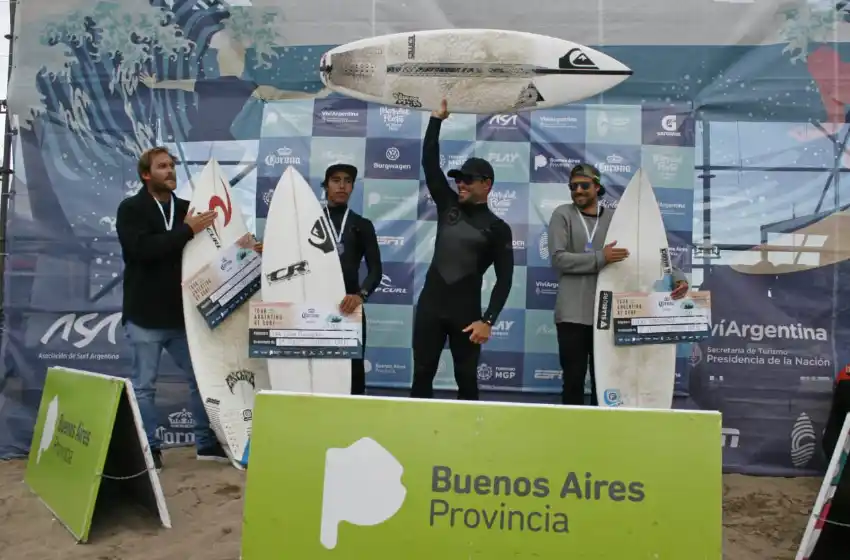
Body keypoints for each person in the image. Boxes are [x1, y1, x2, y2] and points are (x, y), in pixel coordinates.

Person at [116, 146, 229, 470]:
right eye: (163, 166)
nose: (170, 171)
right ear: (146, 174)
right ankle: (150, 449)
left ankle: (206, 443)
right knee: (144, 387)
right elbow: (141, 250)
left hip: (182, 317)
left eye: (172, 166)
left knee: (201, 380)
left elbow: (210, 252)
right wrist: (186, 230)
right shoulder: (131, 209)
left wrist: (244, 249)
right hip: (144, 318)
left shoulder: (186, 209)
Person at [547, 163, 690, 406]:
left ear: (597, 187)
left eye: (584, 185)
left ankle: (602, 437)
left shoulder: (617, 220)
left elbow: (647, 256)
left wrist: (678, 276)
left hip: (610, 317)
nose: (578, 191)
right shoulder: (563, 215)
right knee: (573, 381)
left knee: (607, 383)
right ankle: (569, 437)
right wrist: (601, 257)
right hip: (574, 315)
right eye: (573, 186)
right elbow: (559, 259)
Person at [410, 99, 515, 400]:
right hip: (430, 307)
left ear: (488, 184)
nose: (461, 184)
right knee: (422, 375)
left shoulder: (498, 228)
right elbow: (430, 163)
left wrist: (489, 320)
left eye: (468, 179)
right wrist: (435, 120)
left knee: (467, 380)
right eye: (458, 179)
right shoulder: (448, 206)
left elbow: (505, 279)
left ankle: (468, 443)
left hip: (466, 315)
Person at [322, 162, 383, 394]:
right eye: (336, 180)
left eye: (348, 181)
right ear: (326, 185)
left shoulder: (362, 225)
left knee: (354, 371)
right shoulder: (311, 221)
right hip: (315, 307)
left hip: (350, 307)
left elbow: (376, 270)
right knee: (318, 369)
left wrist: (361, 296)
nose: (342, 186)